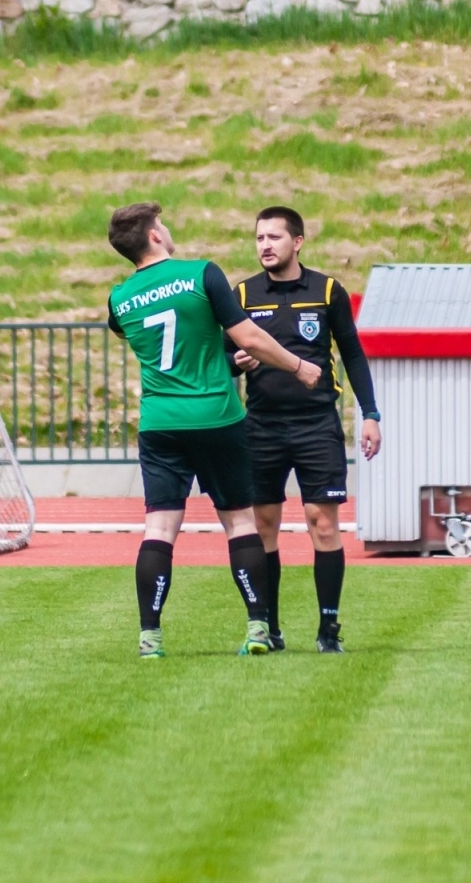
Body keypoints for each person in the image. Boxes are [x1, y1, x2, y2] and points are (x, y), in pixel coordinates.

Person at [107, 201, 321, 659]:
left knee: (159, 528)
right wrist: (299, 366)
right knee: (240, 521)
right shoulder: (202, 274)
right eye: (161, 224)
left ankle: (150, 638)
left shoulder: (119, 299)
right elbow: (249, 338)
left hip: (160, 422)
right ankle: (258, 628)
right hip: (217, 416)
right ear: (154, 237)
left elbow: (135, 334)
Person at [227, 206, 380, 654]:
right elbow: (221, 355)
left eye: (274, 237)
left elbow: (352, 353)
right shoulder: (242, 294)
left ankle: (328, 628)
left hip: (316, 424)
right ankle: (269, 629)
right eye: (259, 238)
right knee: (265, 524)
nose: (265, 246)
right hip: (262, 426)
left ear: (298, 242)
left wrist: (370, 413)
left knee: (323, 524)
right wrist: (236, 361)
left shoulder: (327, 289)